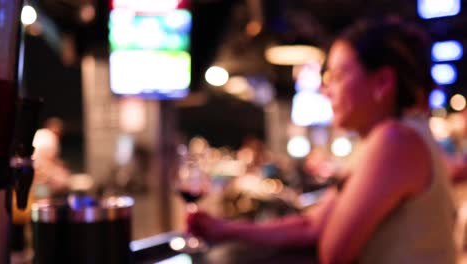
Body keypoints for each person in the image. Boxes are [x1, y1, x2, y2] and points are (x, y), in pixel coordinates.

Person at [187, 17, 456, 264]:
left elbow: (333, 252)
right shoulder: (395, 137)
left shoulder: (395, 140)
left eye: (335, 77)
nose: (324, 90)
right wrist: (223, 229)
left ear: (382, 83)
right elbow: (311, 225)